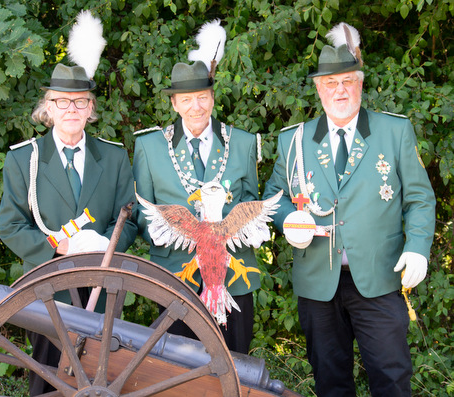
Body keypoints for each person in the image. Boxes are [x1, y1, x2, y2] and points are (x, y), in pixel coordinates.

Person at [263, 22, 435, 396]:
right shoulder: (294, 140)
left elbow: (420, 198)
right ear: (318, 89)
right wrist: (285, 218)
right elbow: (273, 197)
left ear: (360, 83)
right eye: (330, 83)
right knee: (330, 381)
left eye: (347, 81)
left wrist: (418, 248)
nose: (339, 90)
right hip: (317, 282)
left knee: (391, 377)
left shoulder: (394, 132)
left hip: (379, 277)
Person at [0, 63, 137, 395]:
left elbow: (130, 220)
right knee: (48, 381)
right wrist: (60, 248)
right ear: (48, 108)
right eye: (62, 101)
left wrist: (105, 243)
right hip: (48, 292)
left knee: (101, 380)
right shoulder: (24, 160)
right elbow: (11, 226)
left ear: (91, 109)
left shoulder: (114, 157)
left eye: (80, 101)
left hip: (101, 288)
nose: (71, 109)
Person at [133, 21, 261, 354]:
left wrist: (223, 230)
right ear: (174, 103)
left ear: (213, 98)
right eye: (187, 99)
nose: (196, 107)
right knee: (181, 370)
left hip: (233, 276)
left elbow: (250, 201)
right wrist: (166, 233)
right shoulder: (149, 147)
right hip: (177, 277)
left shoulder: (243, 144)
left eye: (202, 97)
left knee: (236, 366)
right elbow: (142, 212)